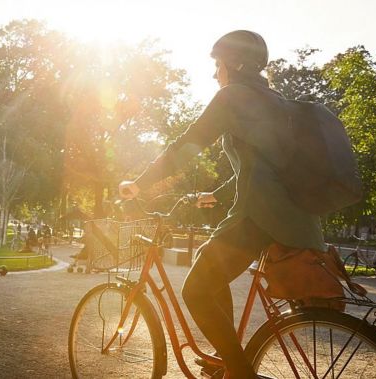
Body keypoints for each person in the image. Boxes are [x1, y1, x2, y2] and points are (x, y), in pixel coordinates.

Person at [119, 30, 326, 379]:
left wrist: (138, 185)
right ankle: (224, 358)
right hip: (297, 217)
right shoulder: (275, 100)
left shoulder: (232, 97)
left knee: (196, 291)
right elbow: (263, 165)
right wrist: (218, 194)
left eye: (217, 65)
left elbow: (187, 145)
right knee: (210, 265)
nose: (215, 74)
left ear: (235, 64)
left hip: (259, 216)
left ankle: (239, 372)